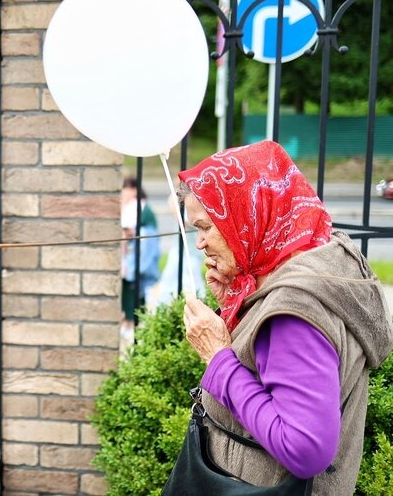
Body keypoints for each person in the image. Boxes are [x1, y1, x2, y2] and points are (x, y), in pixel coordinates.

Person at [179, 140, 393, 493]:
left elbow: (305, 451)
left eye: (205, 227)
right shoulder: (314, 260)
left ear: (247, 215)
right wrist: (238, 303)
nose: (200, 243)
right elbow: (268, 368)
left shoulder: (293, 313)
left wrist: (217, 357)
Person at [120, 178, 160, 338]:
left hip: (140, 253)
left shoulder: (138, 206)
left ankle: (132, 322)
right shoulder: (138, 206)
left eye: (127, 188)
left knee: (134, 286)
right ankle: (132, 321)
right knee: (134, 288)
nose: (124, 192)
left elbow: (131, 231)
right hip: (137, 252)